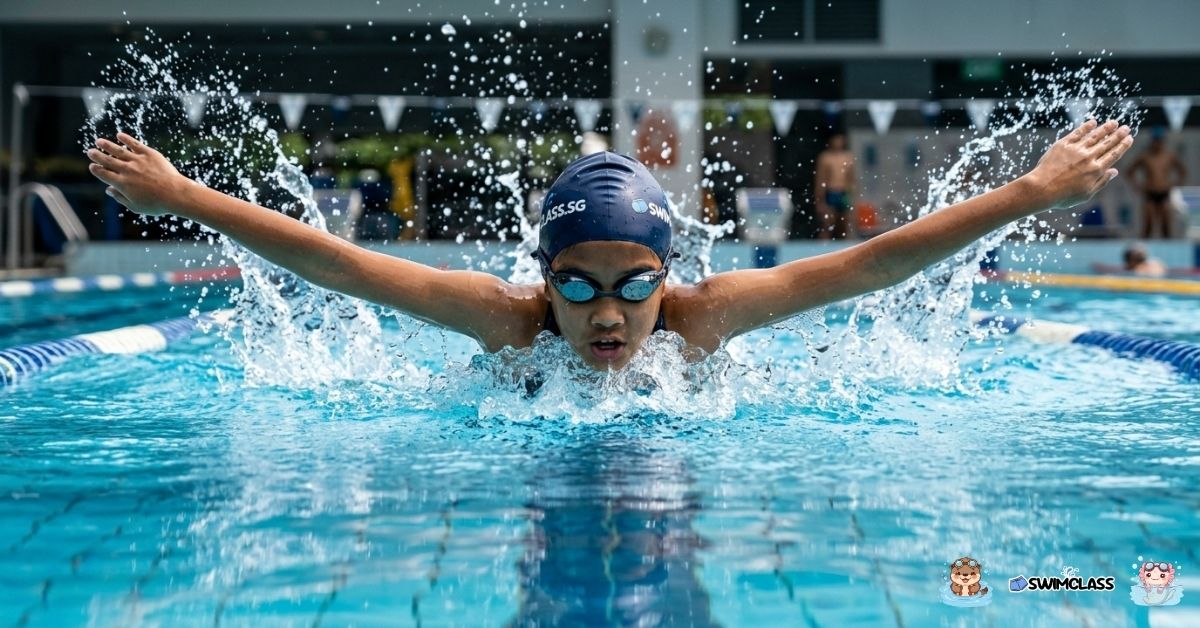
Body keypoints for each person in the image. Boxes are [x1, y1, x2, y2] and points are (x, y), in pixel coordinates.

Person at [86, 120, 1132, 372]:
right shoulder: (508, 323)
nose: (608, 314)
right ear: (542, 280)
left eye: (634, 285)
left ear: (667, 275)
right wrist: (186, 196)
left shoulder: (702, 320)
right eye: (578, 287)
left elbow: (872, 264)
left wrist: (1031, 192)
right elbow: (342, 265)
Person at [1125, 128, 1187, 238]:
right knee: (1148, 225)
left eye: (1159, 141)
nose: (1157, 143)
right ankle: (1144, 246)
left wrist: (1175, 185)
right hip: (1150, 194)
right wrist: (1138, 186)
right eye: (1155, 141)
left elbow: (1182, 171)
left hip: (1165, 193)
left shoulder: (1169, 156)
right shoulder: (1145, 156)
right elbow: (1129, 172)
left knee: (1166, 226)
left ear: (1163, 141)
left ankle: (1168, 247)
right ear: (1152, 141)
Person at [814, 132, 857, 239]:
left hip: (844, 192)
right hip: (831, 191)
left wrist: (853, 195)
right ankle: (823, 246)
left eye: (840, 140)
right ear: (831, 141)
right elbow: (821, 178)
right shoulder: (825, 157)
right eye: (836, 140)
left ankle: (845, 246)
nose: (838, 142)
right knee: (828, 222)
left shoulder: (848, 157)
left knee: (845, 222)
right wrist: (820, 200)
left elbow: (851, 178)